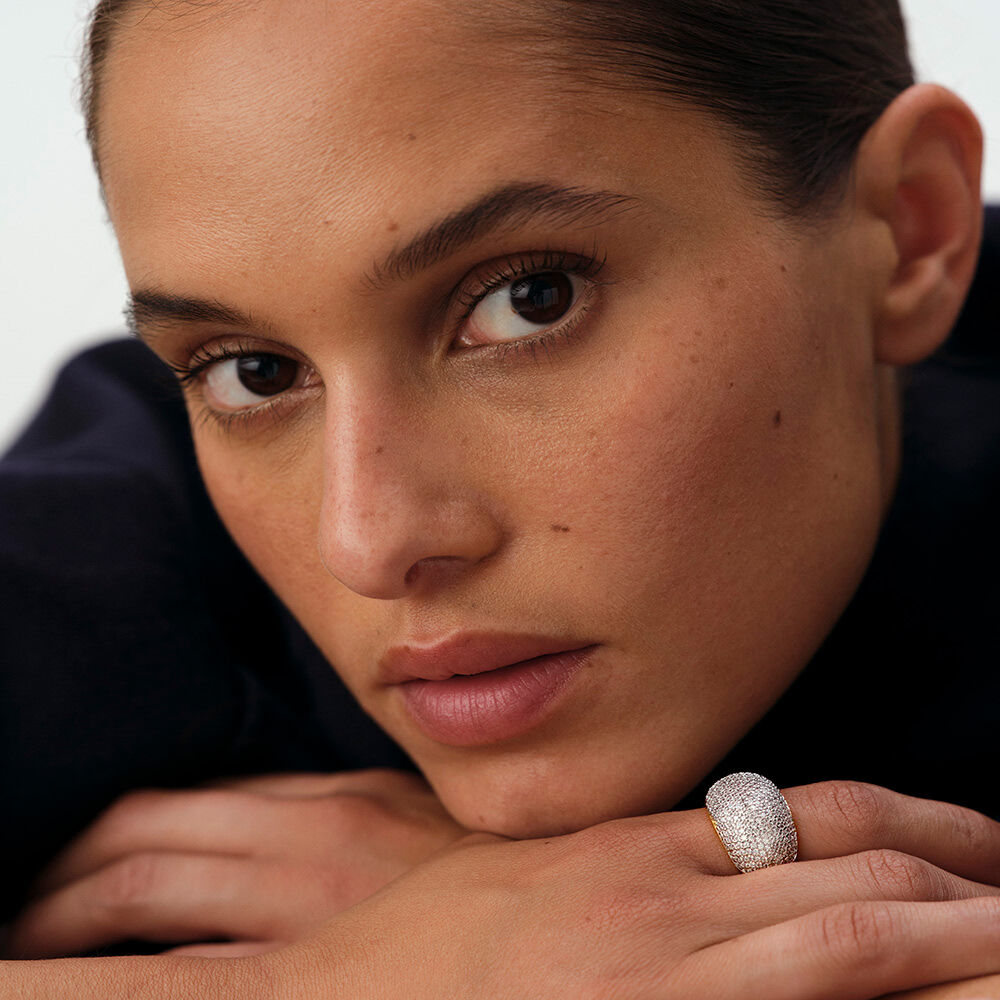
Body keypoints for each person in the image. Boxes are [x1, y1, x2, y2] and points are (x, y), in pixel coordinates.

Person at [1, 0, 999, 995]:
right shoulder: (129, 520)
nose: (366, 541)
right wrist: (336, 981)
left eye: (528, 300)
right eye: (252, 372)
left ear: (910, 229)